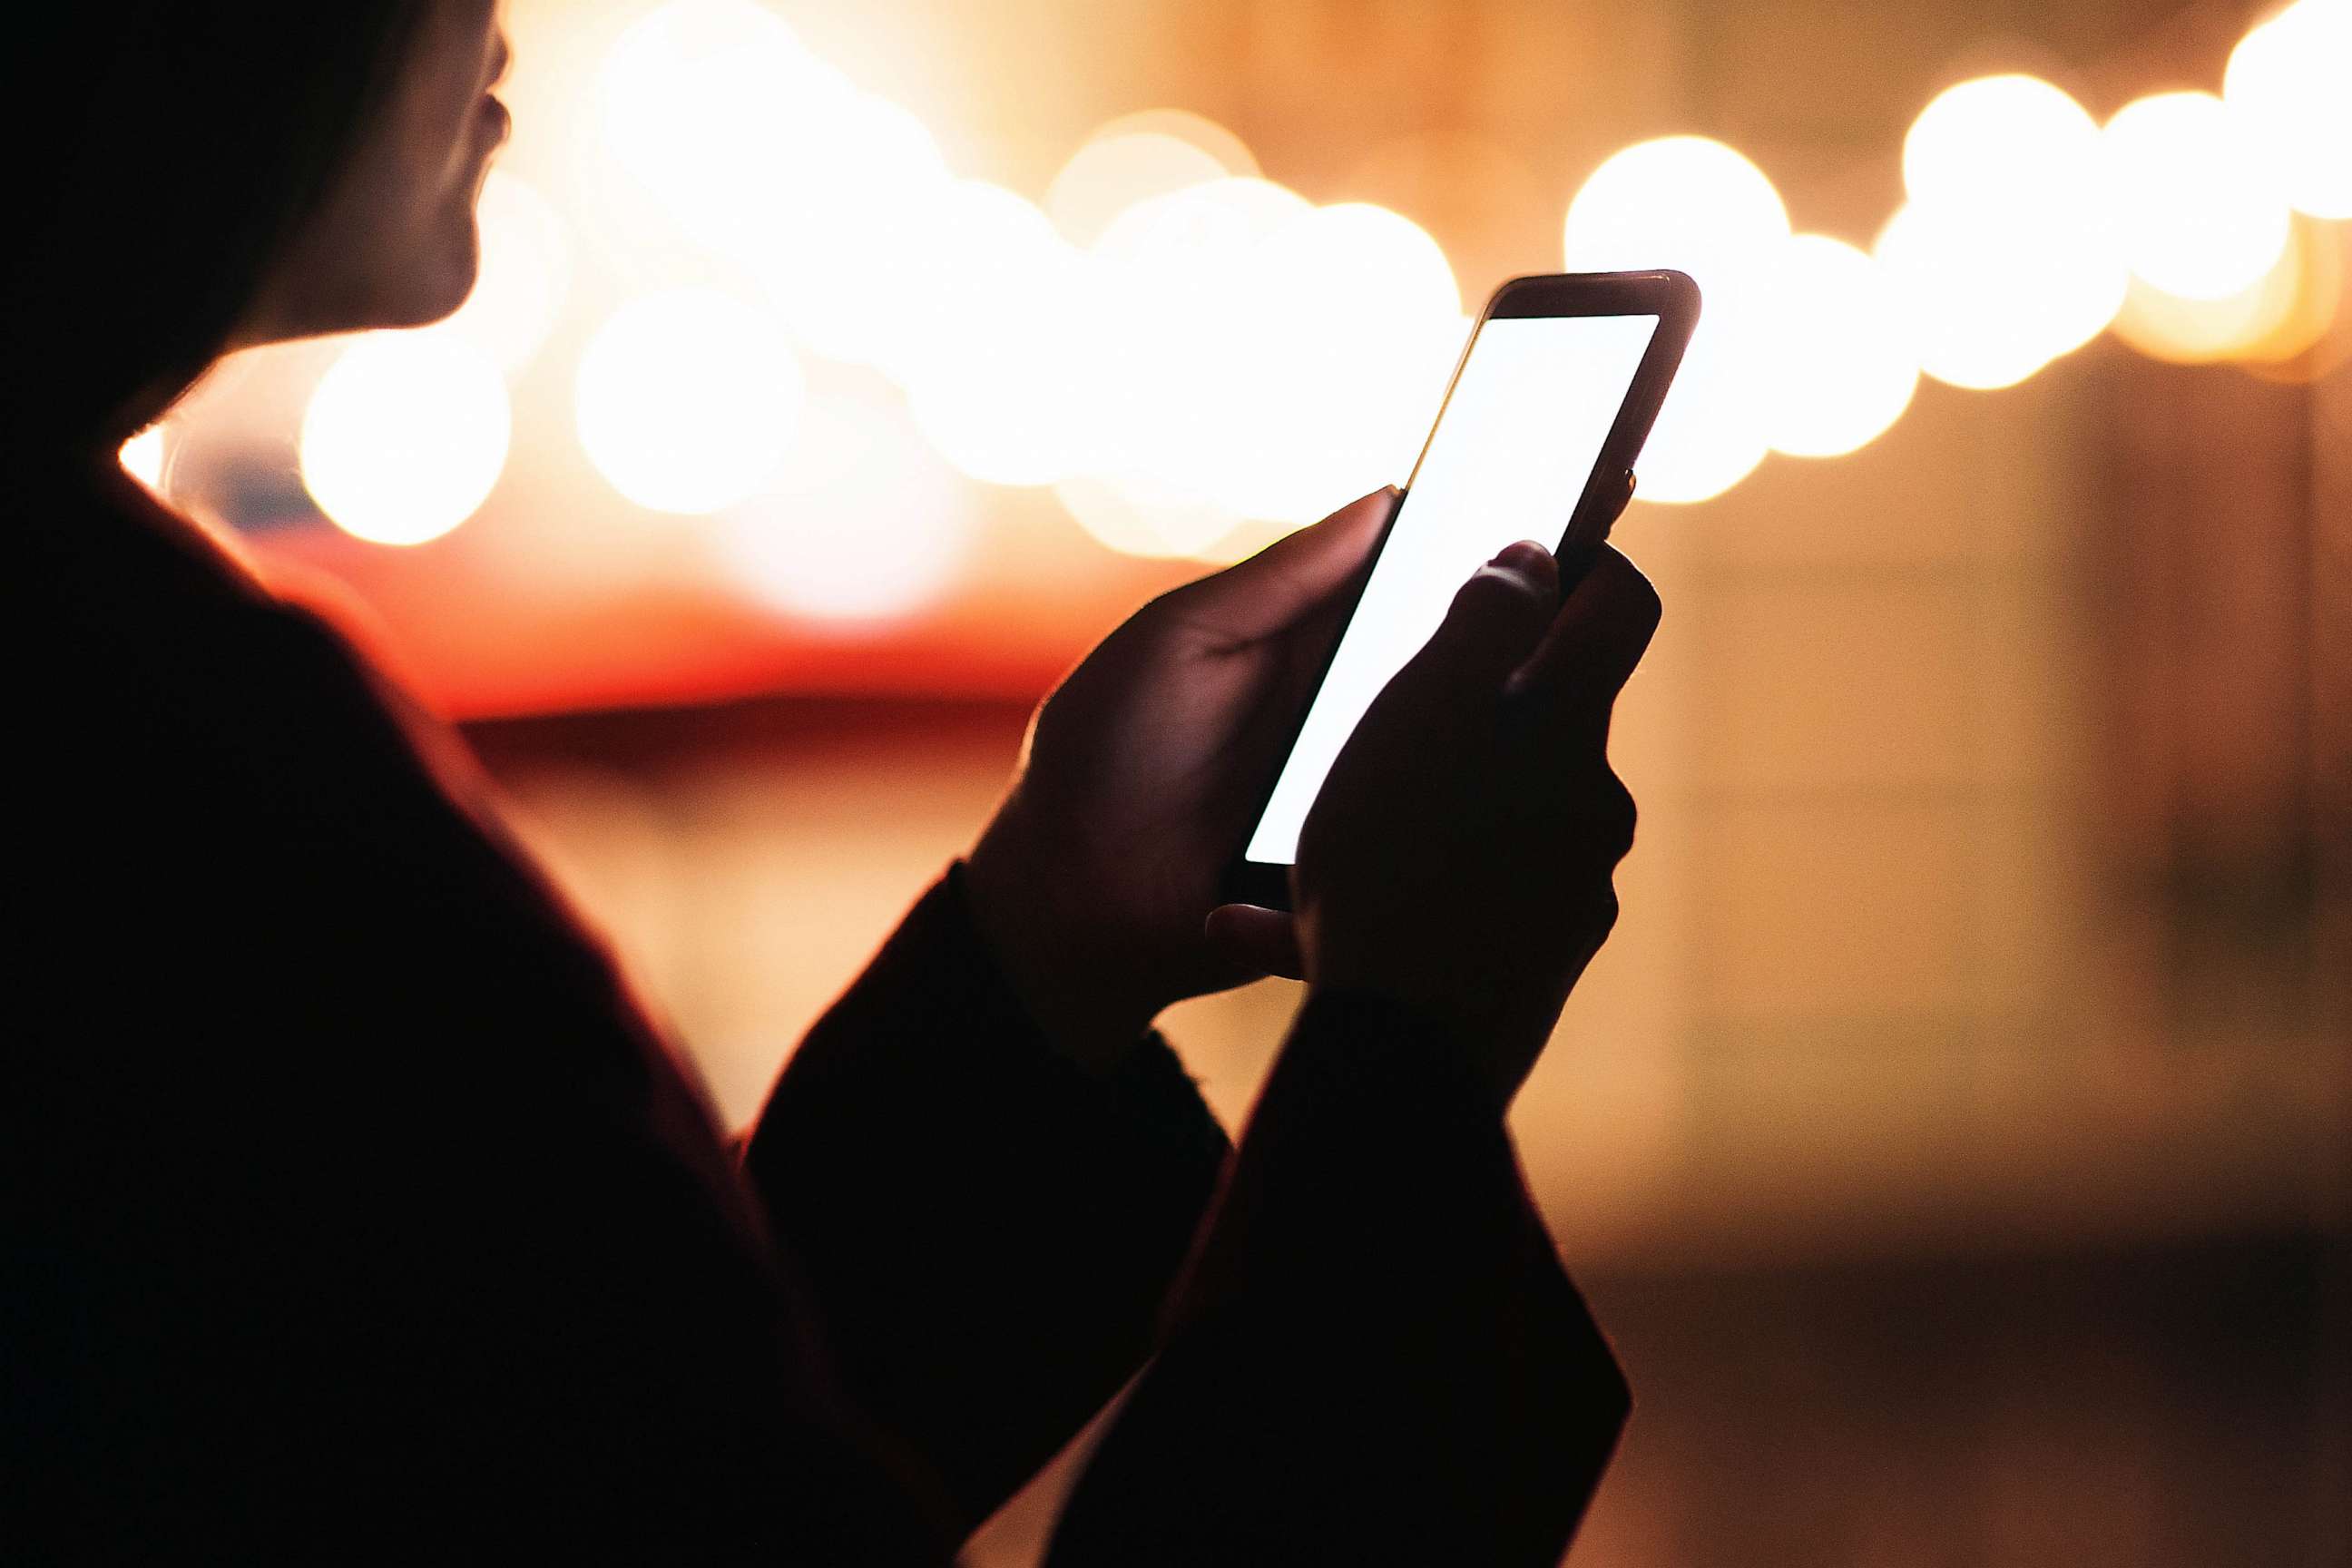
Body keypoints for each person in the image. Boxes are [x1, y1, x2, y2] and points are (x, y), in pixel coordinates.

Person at [6, 4, 1661, 1561]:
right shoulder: (170, 766)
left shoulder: (131, 663)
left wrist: (1042, 950)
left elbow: (566, 1455)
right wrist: (1404, 1080)